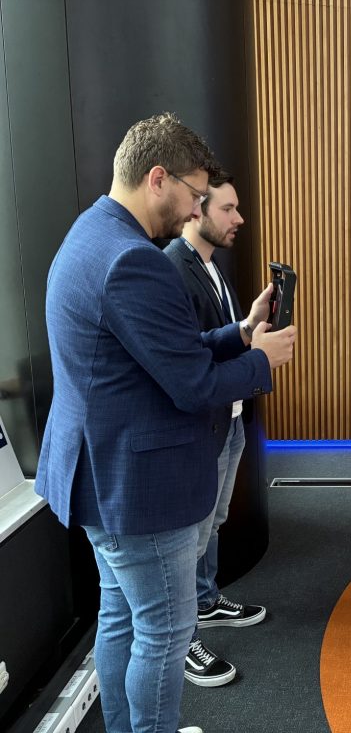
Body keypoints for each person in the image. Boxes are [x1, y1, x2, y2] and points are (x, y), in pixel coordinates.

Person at [35, 113, 297, 733]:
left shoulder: (91, 234)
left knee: (121, 619)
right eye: (195, 194)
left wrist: (239, 334)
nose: (196, 209)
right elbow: (192, 385)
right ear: (158, 178)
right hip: (138, 491)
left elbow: (166, 353)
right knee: (165, 631)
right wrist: (261, 360)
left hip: (99, 477)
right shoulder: (134, 260)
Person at [162, 169, 264, 687]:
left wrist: (248, 327)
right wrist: (256, 355)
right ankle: (183, 639)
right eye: (228, 208)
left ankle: (204, 601)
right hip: (204, 424)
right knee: (193, 534)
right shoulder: (171, 268)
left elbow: (219, 338)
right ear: (197, 209)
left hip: (231, 418)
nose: (238, 218)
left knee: (214, 521)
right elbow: (190, 363)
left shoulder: (210, 265)